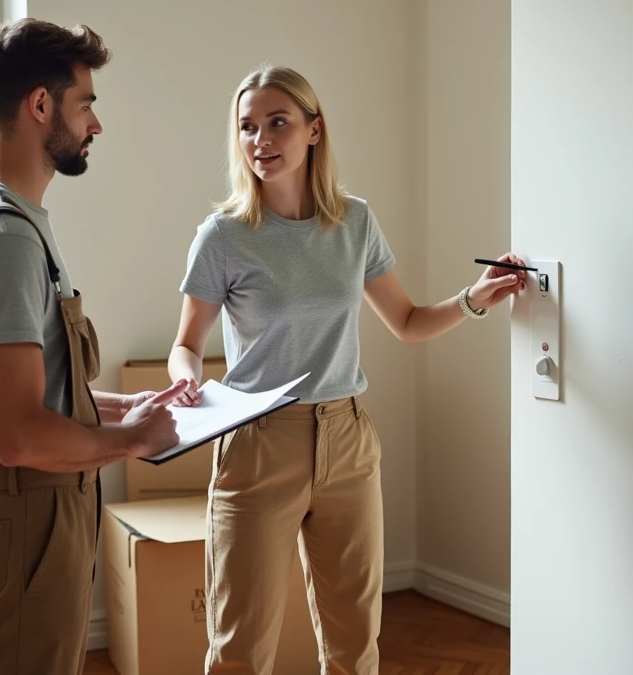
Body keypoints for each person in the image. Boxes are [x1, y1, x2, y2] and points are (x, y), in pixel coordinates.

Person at [167, 65, 527, 674]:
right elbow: (187, 343)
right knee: (238, 650)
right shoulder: (224, 235)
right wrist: (185, 378)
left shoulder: (354, 222)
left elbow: (408, 322)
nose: (261, 139)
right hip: (259, 443)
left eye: (278, 122)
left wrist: (473, 298)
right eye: (248, 126)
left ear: (314, 130)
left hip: (349, 441)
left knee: (354, 646)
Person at [0, 18, 186, 674]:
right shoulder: (5, 237)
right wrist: (133, 440)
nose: (95, 126)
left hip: (40, 512)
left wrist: (117, 406)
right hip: (29, 515)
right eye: (87, 105)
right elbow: (18, 433)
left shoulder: (17, 221)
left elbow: (39, 393)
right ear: (41, 105)